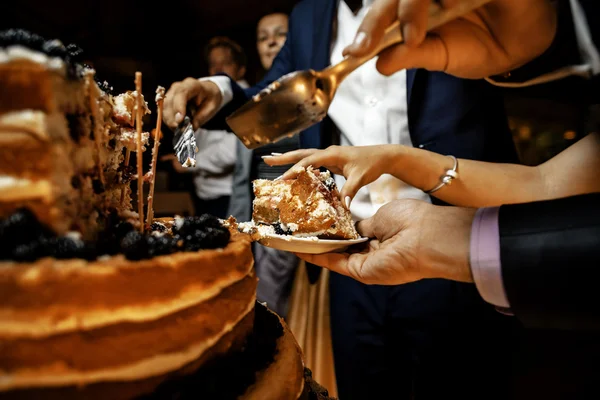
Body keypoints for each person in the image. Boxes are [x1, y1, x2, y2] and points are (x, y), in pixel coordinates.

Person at [161, 1, 545, 399]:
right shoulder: (308, 15)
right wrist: (217, 90)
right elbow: (272, 102)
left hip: (453, 236)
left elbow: (532, 58)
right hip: (350, 249)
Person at [226, 11, 301, 320]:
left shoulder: (313, 96)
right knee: (268, 302)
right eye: (263, 36)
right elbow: (244, 173)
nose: (271, 41)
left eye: (280, 33)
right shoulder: (253, 103)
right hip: (265, 215)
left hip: (306, 211)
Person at [161, 36, 249, 218]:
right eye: (213, 64)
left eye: (225, 63)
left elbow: (232, 154)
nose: (218, 69)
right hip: (202, 194)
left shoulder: (244, 103)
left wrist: (189, 165)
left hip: (227, 197)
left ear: (241, 70)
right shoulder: (205, 98)